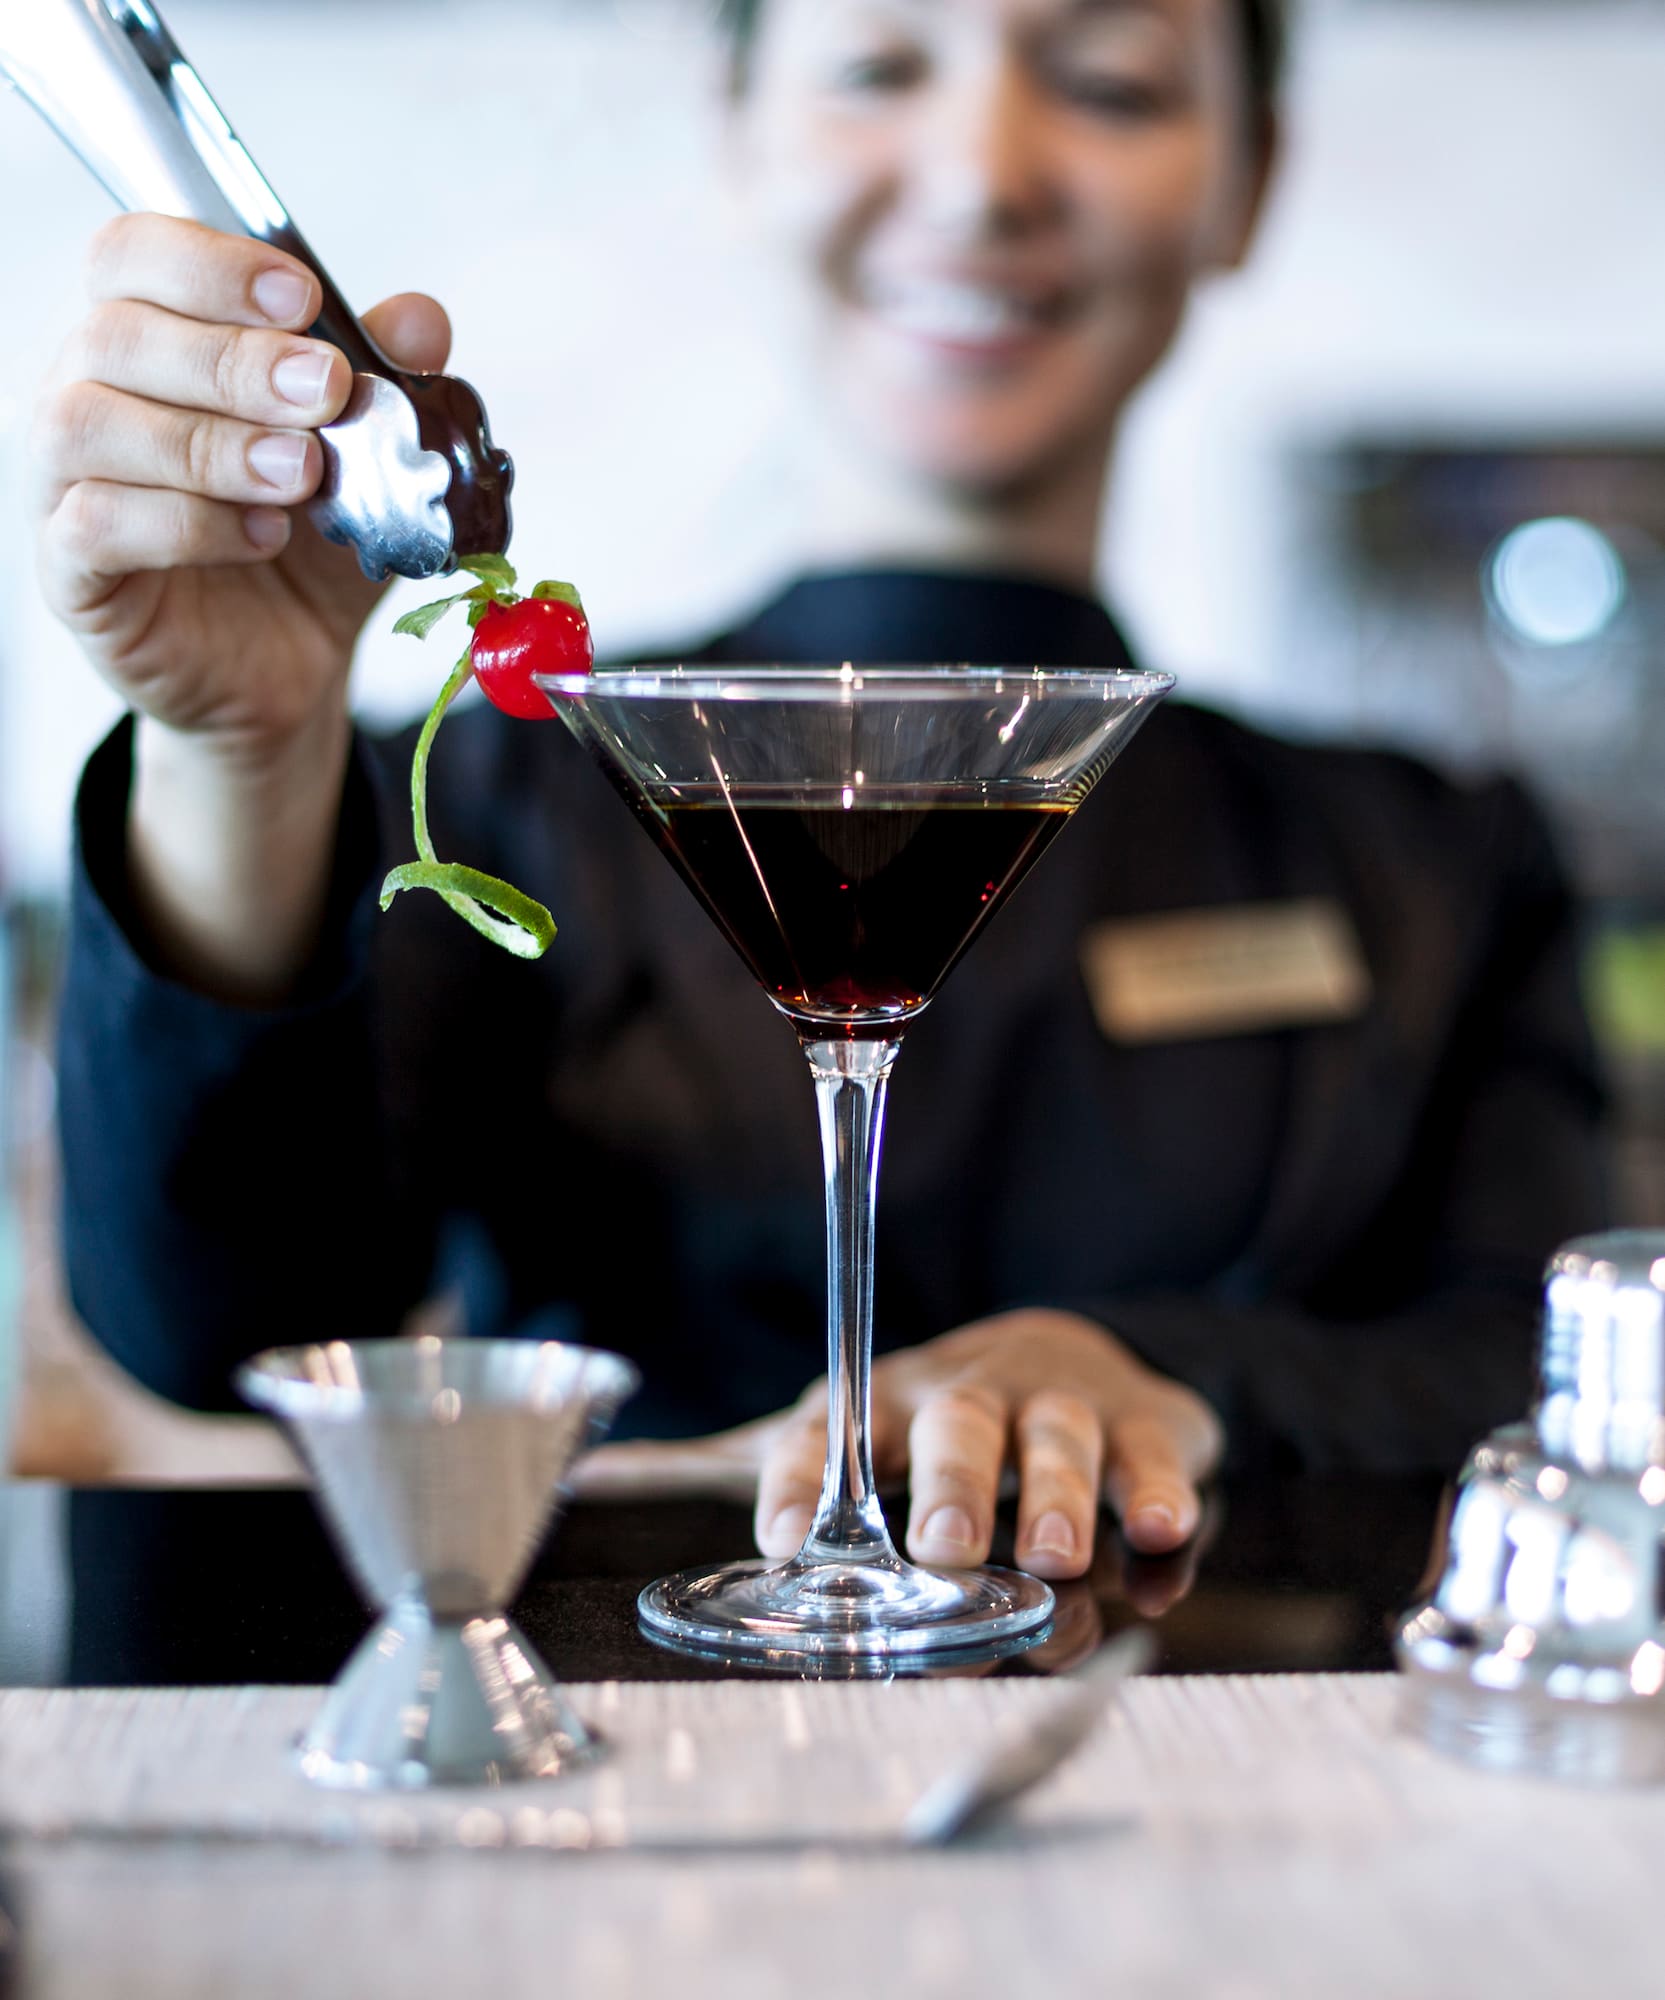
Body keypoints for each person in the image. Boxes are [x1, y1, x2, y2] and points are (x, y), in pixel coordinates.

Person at [36, 0, 1605, 1586]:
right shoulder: (509, 782)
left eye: (1109, 84)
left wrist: (1179, 1382)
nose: (985, 174)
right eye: (875, 68)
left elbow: (1542, 1367)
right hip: (618, 1765)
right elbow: (223, 1316)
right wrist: (239, 751)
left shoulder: (1434, 858)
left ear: (1246, 181)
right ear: (735, 135)